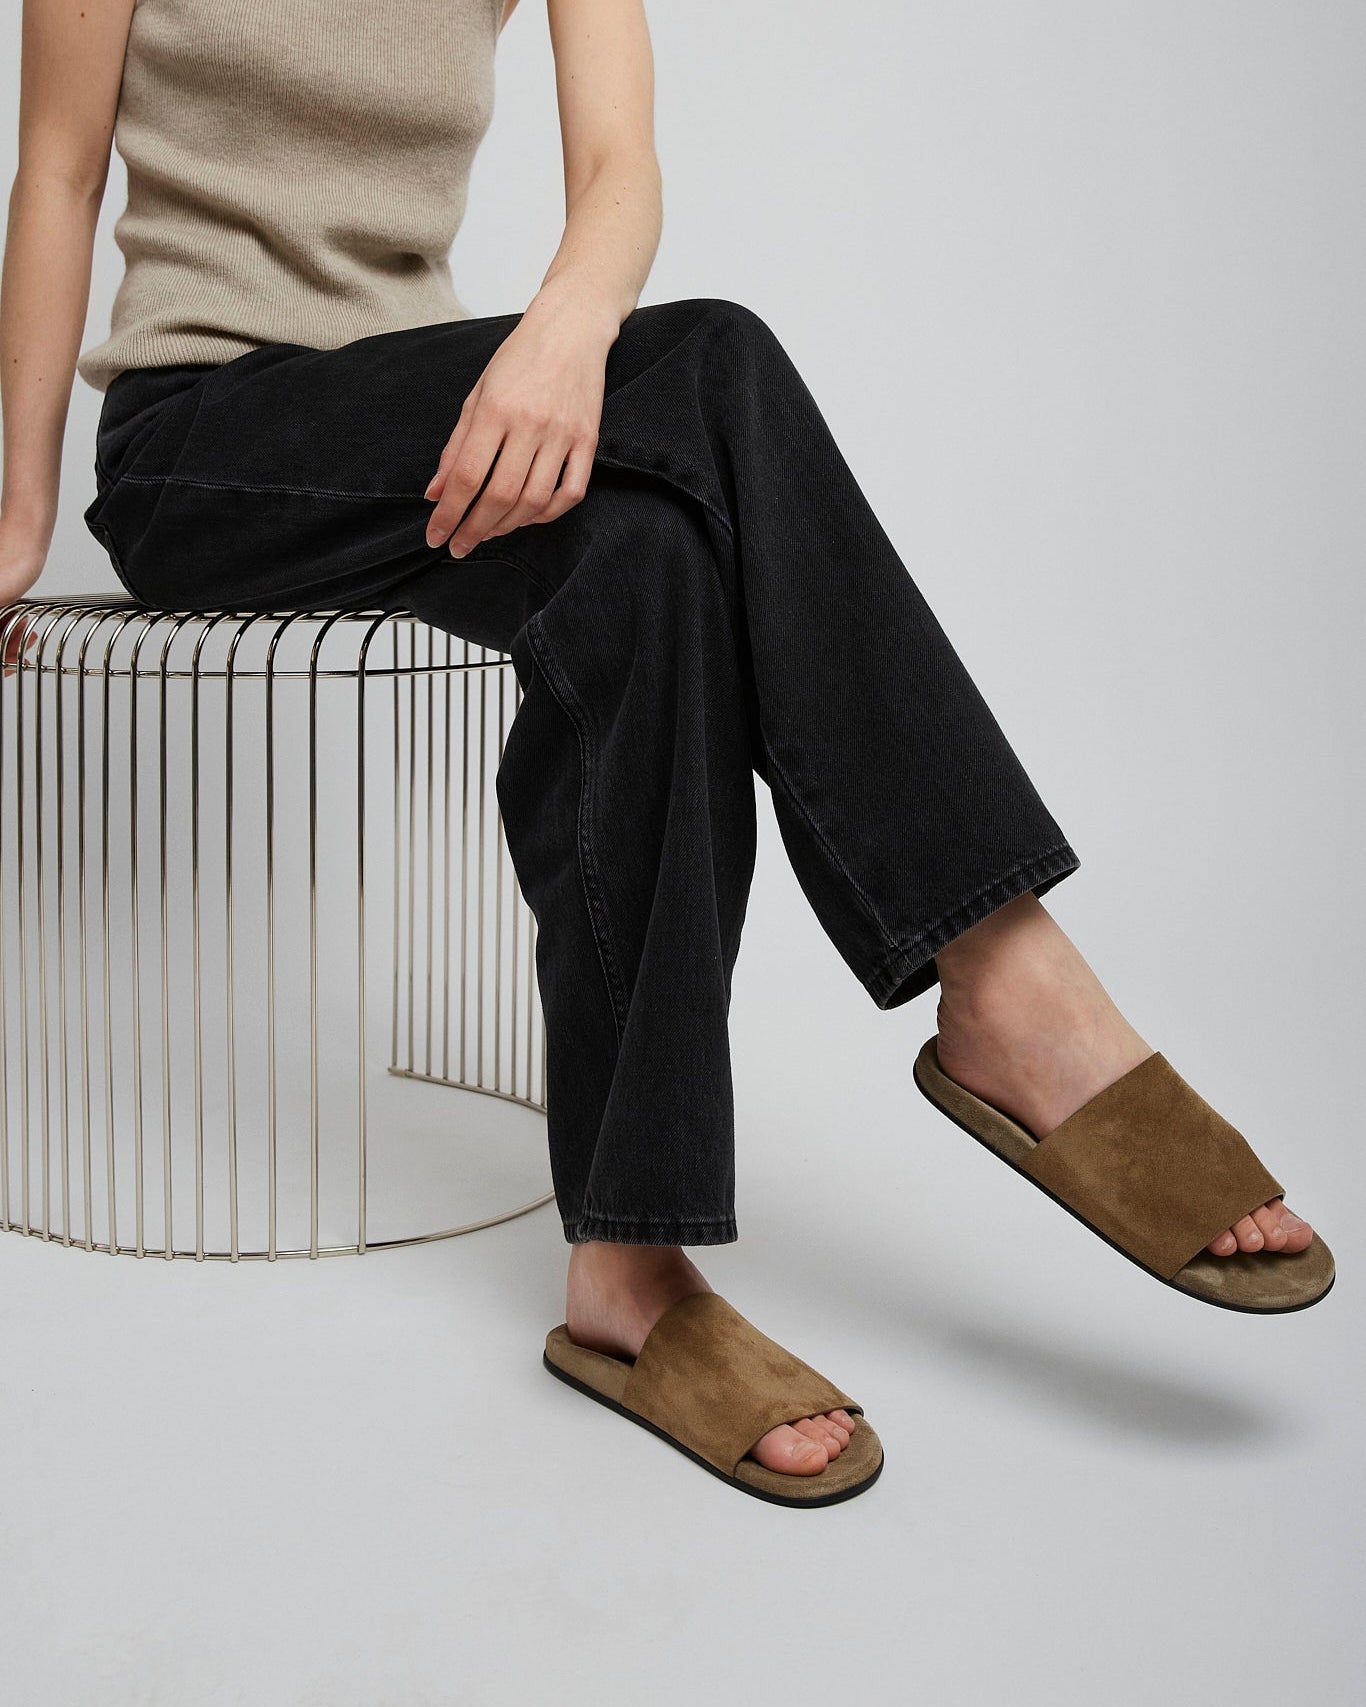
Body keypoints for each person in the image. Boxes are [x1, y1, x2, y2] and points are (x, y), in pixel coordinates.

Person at [0, 0, 1332, 1509]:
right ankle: (1004, 973)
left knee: (645, 563)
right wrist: (16, 512)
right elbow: (58, 171)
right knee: (712, 366)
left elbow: (617, 165)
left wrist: (559, 335)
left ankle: (626, 1267)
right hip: (212, 443)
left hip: (440, 427)